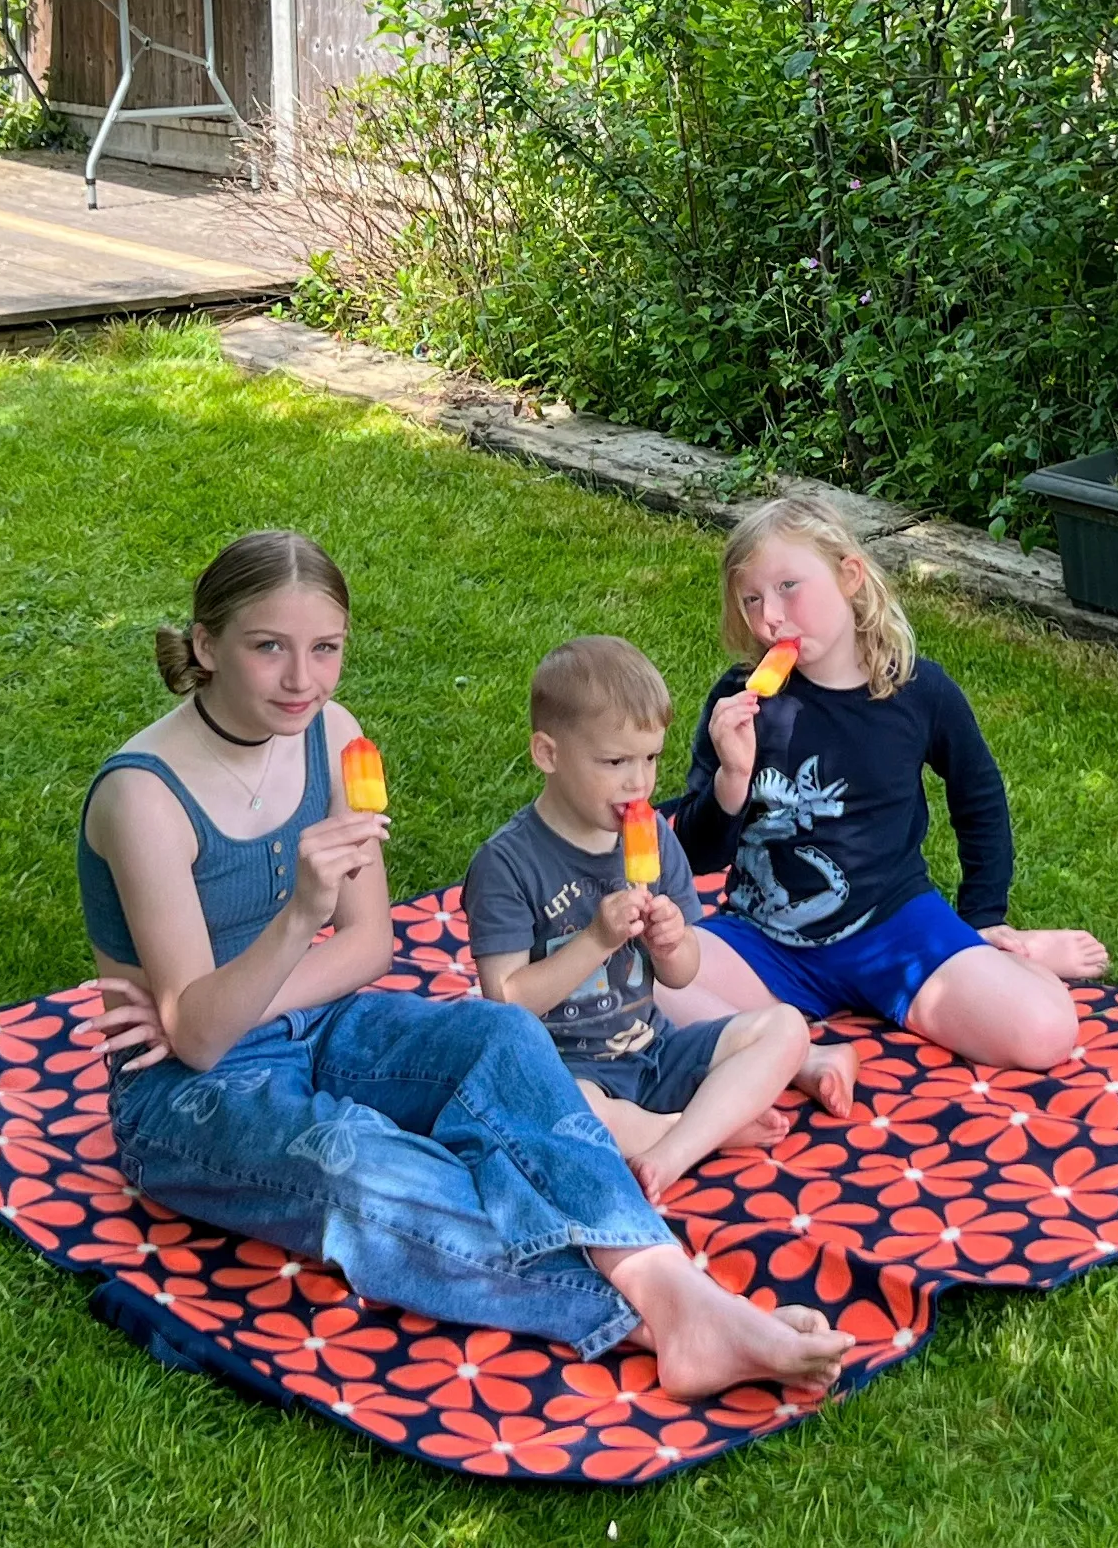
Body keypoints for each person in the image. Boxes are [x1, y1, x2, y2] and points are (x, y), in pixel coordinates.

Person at [72, 531, 850, 1395]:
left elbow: (370, 948)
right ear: (207, 644)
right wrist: (297, 919)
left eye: (325, 649)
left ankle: (673, 1290)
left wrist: (210, 1008)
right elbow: (204, 1046)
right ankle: (654, 1320)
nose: (302, 679)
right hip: (187, 1099)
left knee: (499, 1036)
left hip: (319, 1024)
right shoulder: (141, 796)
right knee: (363, 1165)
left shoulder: (332, 736)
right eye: (268, 648)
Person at [662, 498, 1111, 1070]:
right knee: (639, 985)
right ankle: (799, 1063)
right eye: (752, 600)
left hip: (896, 929)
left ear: (849, 576)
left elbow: (979, 798)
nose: (770, 616)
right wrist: (732, 776)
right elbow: (697, 854)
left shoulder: (918, 692)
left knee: (1045, 1033)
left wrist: (984, 916)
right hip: (766, 937)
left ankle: (1017, 954)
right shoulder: (741, 702)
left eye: (789, 587)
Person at [464, 636, 848, 1200]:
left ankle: (672, 1146)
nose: (639, 783)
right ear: (547, 754)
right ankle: (694, 1131)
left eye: (650, 759)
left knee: (785, 1027)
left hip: (653, 1046)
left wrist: (671, 944)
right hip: (565, 1070)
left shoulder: (655, 840)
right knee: (559, 1114)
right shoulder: (507, 864)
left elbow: (682, 976)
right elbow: (506, 1003)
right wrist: (596, 939)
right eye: (615, 762)